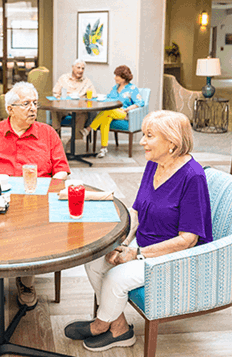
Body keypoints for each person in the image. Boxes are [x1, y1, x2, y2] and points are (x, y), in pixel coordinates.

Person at [64, 111, 212, 352]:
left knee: (115, 276)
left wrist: (137, 254)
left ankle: (101, 325)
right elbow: (136, 212)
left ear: (172, 142)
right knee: (94, 261)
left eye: (149, 136)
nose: (142, 141)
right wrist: (123, 244)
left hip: (176, 257)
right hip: (144, 245)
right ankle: (120, 328)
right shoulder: (154, 164)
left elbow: (188, 240)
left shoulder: (193, 177)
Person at [0, 81, 70, 309]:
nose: (33, 108)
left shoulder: (48, 133)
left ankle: (26, 281)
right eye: (26, 104)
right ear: (10, 108)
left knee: (32, 225)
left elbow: (62, 169)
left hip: (37, 200)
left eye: (35, 103)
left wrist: (51, 189)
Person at [88, 65, 145, 158]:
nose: (114, 78)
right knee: (106, 118)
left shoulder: (132, 88)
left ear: (123, 77)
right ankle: (103, 148)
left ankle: (89, 128)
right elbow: (109, 98)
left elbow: (140, 102)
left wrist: (128, 109)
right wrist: (98, 97)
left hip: (124, 113)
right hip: (112, 112)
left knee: (108, 112)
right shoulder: (115, 88)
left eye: (116, 75)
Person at [51, 59, 96, 148]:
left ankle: (72, 143)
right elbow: (55, 92)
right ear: (72, 68)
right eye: (78, 67)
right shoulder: (63, 78)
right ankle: (56, 140)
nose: (80, 70)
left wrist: (83, 99)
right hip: (64, 107)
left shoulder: (87, 81)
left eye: (83, 68)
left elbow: (93, 96)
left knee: (83, 114)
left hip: (79, 109)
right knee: (54, 110)